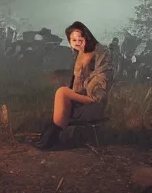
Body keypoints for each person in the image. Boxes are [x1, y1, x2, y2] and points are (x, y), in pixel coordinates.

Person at [34, 21, 113, 150]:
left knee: (62, 92)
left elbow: (102, 78)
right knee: (63, 95)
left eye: (79, 39)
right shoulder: (78, 54)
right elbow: (76, 83)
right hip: (80, 100)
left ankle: (50, 139)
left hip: (94, 101)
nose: (76, 42)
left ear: (87, 37)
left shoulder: (101, 53)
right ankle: (50, 139)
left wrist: (81, 90)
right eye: (73, 40)